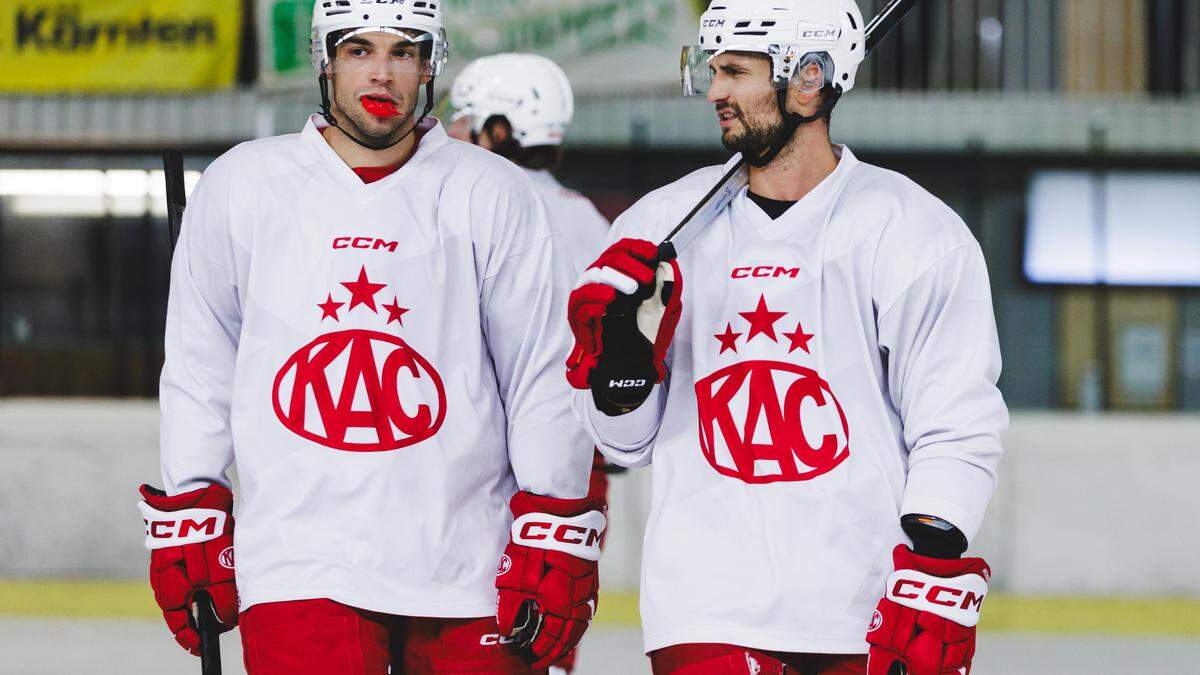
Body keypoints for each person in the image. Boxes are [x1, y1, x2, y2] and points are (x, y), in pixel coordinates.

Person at [136, 2, 601, 673]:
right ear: (325, 61)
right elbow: (199, 364)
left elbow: (537, 372)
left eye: (402, 52)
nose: (381, 74)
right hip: (299, 563)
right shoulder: (245, 184)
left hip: (469, 561)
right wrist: (192, 494)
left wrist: (552, 515)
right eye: (359, 51)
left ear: (429, 64)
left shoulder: (491, 190)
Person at [565, 1, 1007, 674]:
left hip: (863, 608)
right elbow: (625, 443)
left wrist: (933, 560)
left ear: (808, 80)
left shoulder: (913, 230)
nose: (716, 91)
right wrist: (620, 371)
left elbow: (955, 419)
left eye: (736, 72)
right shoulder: (657, 228)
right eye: (713, 71)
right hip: (704, 604)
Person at [445, 52, 616, 675]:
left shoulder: (474, 208)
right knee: (544, 635)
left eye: (464, 122)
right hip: (574, 469)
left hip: (483, 457)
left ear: (499, 131)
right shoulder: (593, 224)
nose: (451, 136)